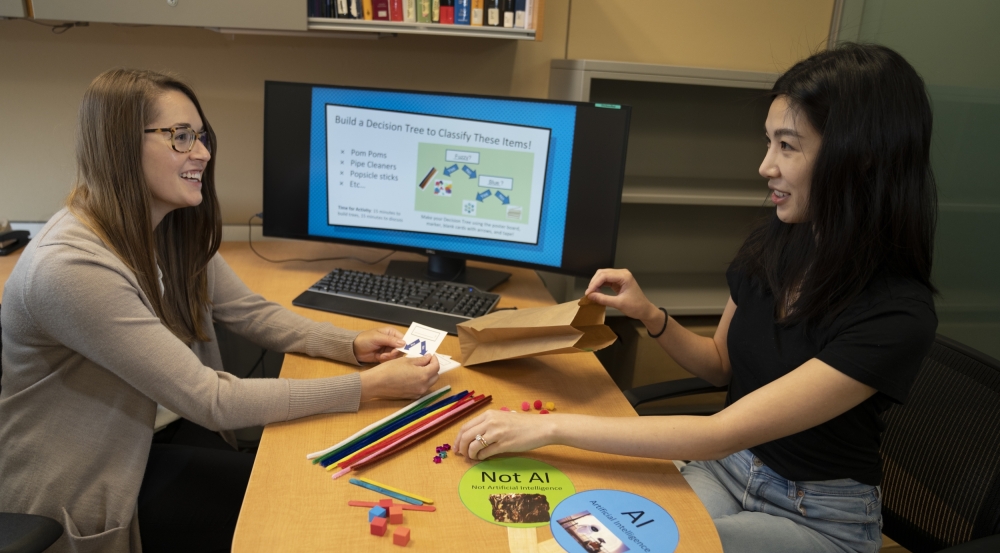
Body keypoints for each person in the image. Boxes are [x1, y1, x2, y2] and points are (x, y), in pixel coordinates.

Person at [456, 43, 938, 553]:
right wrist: (649, 313)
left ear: (859, 159)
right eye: (768, 142)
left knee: (631, 546)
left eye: (787, 146)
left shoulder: (897, 313)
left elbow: (720, 431)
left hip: (817, 517)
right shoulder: (776, 244)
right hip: (727, 470)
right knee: (582, 527)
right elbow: (719, 366)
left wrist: (546, 426)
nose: (764, 166)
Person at [0, 69, 440, 553]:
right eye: (181, 137)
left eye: (201, 135)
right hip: (93, 475)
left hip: (158, 432)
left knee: (301, 478)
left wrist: (347, 344)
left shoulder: (167, 226)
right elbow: (211, 399)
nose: (204, 153)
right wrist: (366, 388)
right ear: (121, 145)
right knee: (292, 511)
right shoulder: (71, 267)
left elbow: (249, 312)